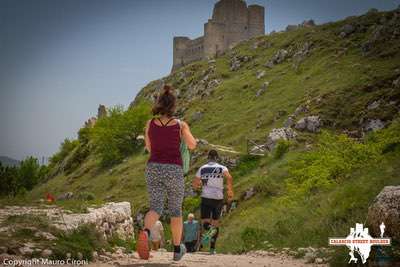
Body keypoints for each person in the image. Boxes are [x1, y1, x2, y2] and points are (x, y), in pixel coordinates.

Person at [137, 85, 197, 261]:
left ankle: (146, 232)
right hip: (173, 170)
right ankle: (177, 250)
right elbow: (192, 145)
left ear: (159, 105)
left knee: (155, 207)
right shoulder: (180, 125)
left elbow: (149, 147)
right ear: (173, 106)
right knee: (175, 211)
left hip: (153, 167)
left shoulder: (150, 124)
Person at [192, 150, 234, 254]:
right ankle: (212, 249)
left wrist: (200, 185)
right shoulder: (222, 168)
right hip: (218, 198)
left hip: (206, 197)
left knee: (205, 222)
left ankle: (209, 228)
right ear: (216, 158)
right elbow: (229, 177)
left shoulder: (203, 168)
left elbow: (195, 184)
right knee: (216, 223)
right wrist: (229, 190)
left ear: (208, 158)